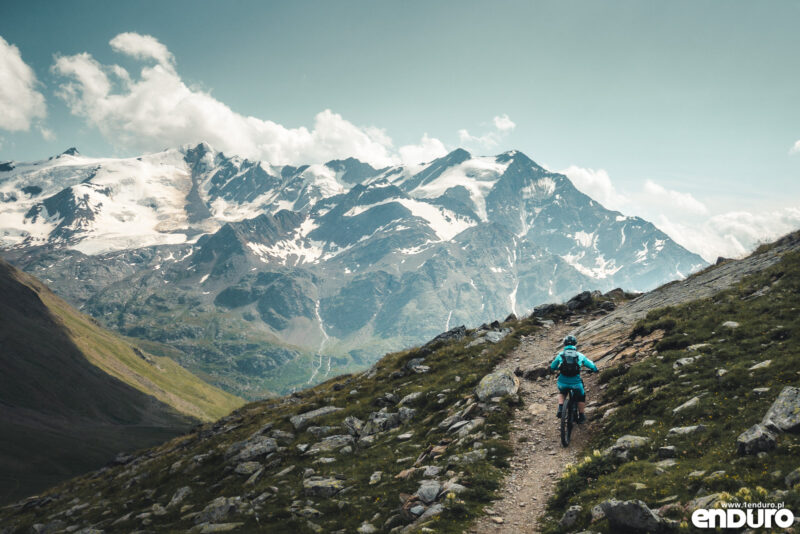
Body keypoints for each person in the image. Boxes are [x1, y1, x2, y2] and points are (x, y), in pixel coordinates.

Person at [550, 334, 598, 423]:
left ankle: (561, 408)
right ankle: (582, 415)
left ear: (564, 344)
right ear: (575, 344)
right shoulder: (579, 355)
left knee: (562, 392)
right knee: (581, 396)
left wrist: (557, 368)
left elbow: (552, 366)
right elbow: (590, 364)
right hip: (576, 383)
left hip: (562, 382)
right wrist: (594, 369)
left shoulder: (560, 355)